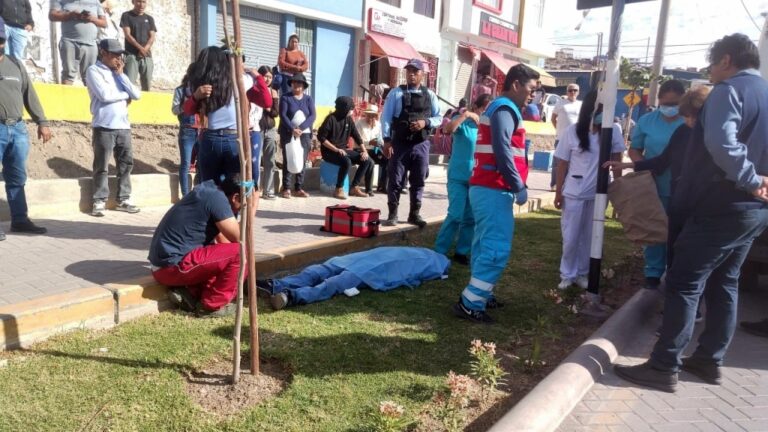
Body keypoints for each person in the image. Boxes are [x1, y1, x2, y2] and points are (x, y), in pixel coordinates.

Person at [614, 34, 768, 393]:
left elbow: (720, 142)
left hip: (720, 206)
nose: (711, 72)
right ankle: (708, 360)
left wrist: (747, 178)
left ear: (726, 60)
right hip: (753, 212)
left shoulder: (728, 92)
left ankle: (664, 365)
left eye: (713, 64)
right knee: (725, 282)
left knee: (684, 283)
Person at [453, 64, 538, 323]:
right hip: (494, 188)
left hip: (487, 187)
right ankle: (471, 302)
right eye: (531, 89)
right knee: (495, 247)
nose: (533, 95)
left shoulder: (499, 108)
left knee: (483, 244)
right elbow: (502, 151)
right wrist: (517, 185)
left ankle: (482, 293)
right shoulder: (504, 109)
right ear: (516, 85)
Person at [554, 90, 624, 290]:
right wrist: (559, 192)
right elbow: (562, 164)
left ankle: (583, 273)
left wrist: (618, 193)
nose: (603, 113)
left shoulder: (614, 130)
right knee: (570, 237)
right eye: (600, 109)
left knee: (590, 237)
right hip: (574, 193)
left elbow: (618, 162)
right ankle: (567, 274)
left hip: (598, 194)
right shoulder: (573, 131)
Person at [148, 175, 243, 317]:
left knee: (222, 256)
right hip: (171, 268)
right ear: (235, 197)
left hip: (163, 267)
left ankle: (189, 293)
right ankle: (212, 306)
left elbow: (224, 244)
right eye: (248, 201)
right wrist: (252, 211)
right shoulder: (218, 200)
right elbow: (240, 239)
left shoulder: (210, 192)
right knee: (241, 253)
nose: (246, 206)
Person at [181, 46, 272, 184]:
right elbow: (267, 101)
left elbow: (187, 110)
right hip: (233, 138)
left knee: (210, 185)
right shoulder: (244, 80)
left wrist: (195, 96)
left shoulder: (208, 81)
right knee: (232, 186)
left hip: (212, 139)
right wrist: (257, 76)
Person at [257, 247, 450, 310]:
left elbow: (409, 274)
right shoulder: (431, 262)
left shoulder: (432, 262)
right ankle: (280, 288)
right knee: (327, 276)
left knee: (330, 277)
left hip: (372, 265)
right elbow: (410, 275)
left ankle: (289, 294)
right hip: (370, 263)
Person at [628, 79, 686, 290]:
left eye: (675, 103)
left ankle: (676, 272)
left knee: (678, 234)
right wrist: (641, 165)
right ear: (659, 100)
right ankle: (653, 272)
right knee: (653, 229)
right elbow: (635, 149)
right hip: (653, 185)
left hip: (682, 187)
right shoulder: (647, 121)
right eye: (666, 102)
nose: (670, 107)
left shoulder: (689, 123)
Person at [0, 18, 51, 241]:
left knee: (17, 176)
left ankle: (19, 220)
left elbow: (29, 93)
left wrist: (42, 121)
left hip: (17, 128)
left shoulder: (15, 64)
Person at [380, 58, 441, 228]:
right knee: (395, 180)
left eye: (415, 72)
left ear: (422, 74)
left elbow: (439, 118)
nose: (411, 75)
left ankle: (414, 214)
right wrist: (386, 141)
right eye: (409, 71)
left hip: (421, 145)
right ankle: (392, 214)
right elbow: (386, 118)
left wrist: (425, 123)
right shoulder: (396, 94)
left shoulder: (430, 95)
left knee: (419, 180)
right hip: (399, 144)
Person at [434, 93, 492, 266]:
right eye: (484, 109)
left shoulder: (487, 128)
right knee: (455, 215)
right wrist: (464, 115)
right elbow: (447, 130)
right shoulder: (464, 122)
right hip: (458, 176)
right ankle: (440, 250)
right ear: (477, 107)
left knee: (471, 218)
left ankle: (462, 251)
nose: (486, 113)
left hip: (476, 178)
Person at [86, 39, 141, 217]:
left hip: (123, 127)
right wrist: (125, 96)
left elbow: (137, 94)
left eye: (120, 54)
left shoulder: (119, 74)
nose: (119, 58)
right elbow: (104, 95)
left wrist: (120, 75)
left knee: (125, 165)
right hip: (104, 126)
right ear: (103, 52)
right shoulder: (94, 71)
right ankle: (99, 200)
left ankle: (124, 198)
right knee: (101, 165)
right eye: (115, 54)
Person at [318, 96, 372, 199]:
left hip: (343, 150)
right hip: (329, 152)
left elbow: (357, 136)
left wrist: (364, 151)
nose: (352, 111)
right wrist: (336, 149)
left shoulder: (349, 119)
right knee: (346, 161)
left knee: (367, 160)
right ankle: (338, 189)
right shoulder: (331, 119)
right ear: (343, 108)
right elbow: (322, 138)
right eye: (350, 109)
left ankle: (354, 187)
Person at [49, 0, 107, 85]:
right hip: (69, 42)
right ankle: (66, 98)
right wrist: (70, 15)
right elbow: (52, 16)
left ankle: (89, 98)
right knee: (68, 74)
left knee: (90, 76)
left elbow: (104, 23)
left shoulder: (95, 1)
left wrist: (91, 18)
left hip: (90, 44)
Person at [278, 71, 314, 198]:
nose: (296, 86)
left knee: (302, 160)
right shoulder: (285, 97)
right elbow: (283, 115)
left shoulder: (308, 99)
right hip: (288, 133)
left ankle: (298, 187)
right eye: (294, 83)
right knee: (289, 158)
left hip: (304, 134)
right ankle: (286, 188)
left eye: (299, 84)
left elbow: (312, 115)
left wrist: (302, 128)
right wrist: (293, 128)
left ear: (303, 86)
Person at [171, 63, 200, 196]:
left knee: (203, 164)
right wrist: (188, 103)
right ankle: (185, 195)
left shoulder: (202, 90)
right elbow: (175, 110)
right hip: (187, 131)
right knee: (186, 165)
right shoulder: (180, 90)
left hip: (201, 131)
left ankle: (200, 193)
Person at [550, 83, 581, 190]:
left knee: (572, 164)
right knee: (558, 163)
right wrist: (558, 130)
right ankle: (554, 184)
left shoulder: (581, 104)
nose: (573, 92)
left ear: (578, 92)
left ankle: (566, 185)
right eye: (570, 90)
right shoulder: (561, 103)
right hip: (561, 138)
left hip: (576, 139)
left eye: (575, 90)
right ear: (567, 92)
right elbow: (553, 118)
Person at [120, 0, 155, 91]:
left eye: (144, 2)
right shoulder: (126, 16)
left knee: (147, 84)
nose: (141, 5)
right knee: (129, 84)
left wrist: (145, 49)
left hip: (146, 56)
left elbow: (152, 37)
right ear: (133, 2)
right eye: (138, 1)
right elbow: (127, 35)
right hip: (131, 55)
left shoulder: (149, 18)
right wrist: (140, 48)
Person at [258, 65, 279, 199]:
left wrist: (268, 109)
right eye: (265, 76)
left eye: (270, 77)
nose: (268, 79)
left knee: (270, 160)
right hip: (257, 129)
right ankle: (254, 189)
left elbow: (275, 113)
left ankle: (268, 190)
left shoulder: (274, 92)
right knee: (255, 160)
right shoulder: (255, 90)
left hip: (270, 129)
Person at [356, 104, 387, 193]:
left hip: (374, 149)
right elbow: (357, 141)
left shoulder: (378, 125)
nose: (370, 117)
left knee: (387, 160)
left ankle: (382, 186)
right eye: (368, 115)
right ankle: (368, 189)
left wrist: (379, 142)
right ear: (365, 115)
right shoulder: (359, 123)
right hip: (361, 149)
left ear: (376, 116)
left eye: (372, 115)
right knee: (370, 162)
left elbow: (381, 139)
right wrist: (369, 142)